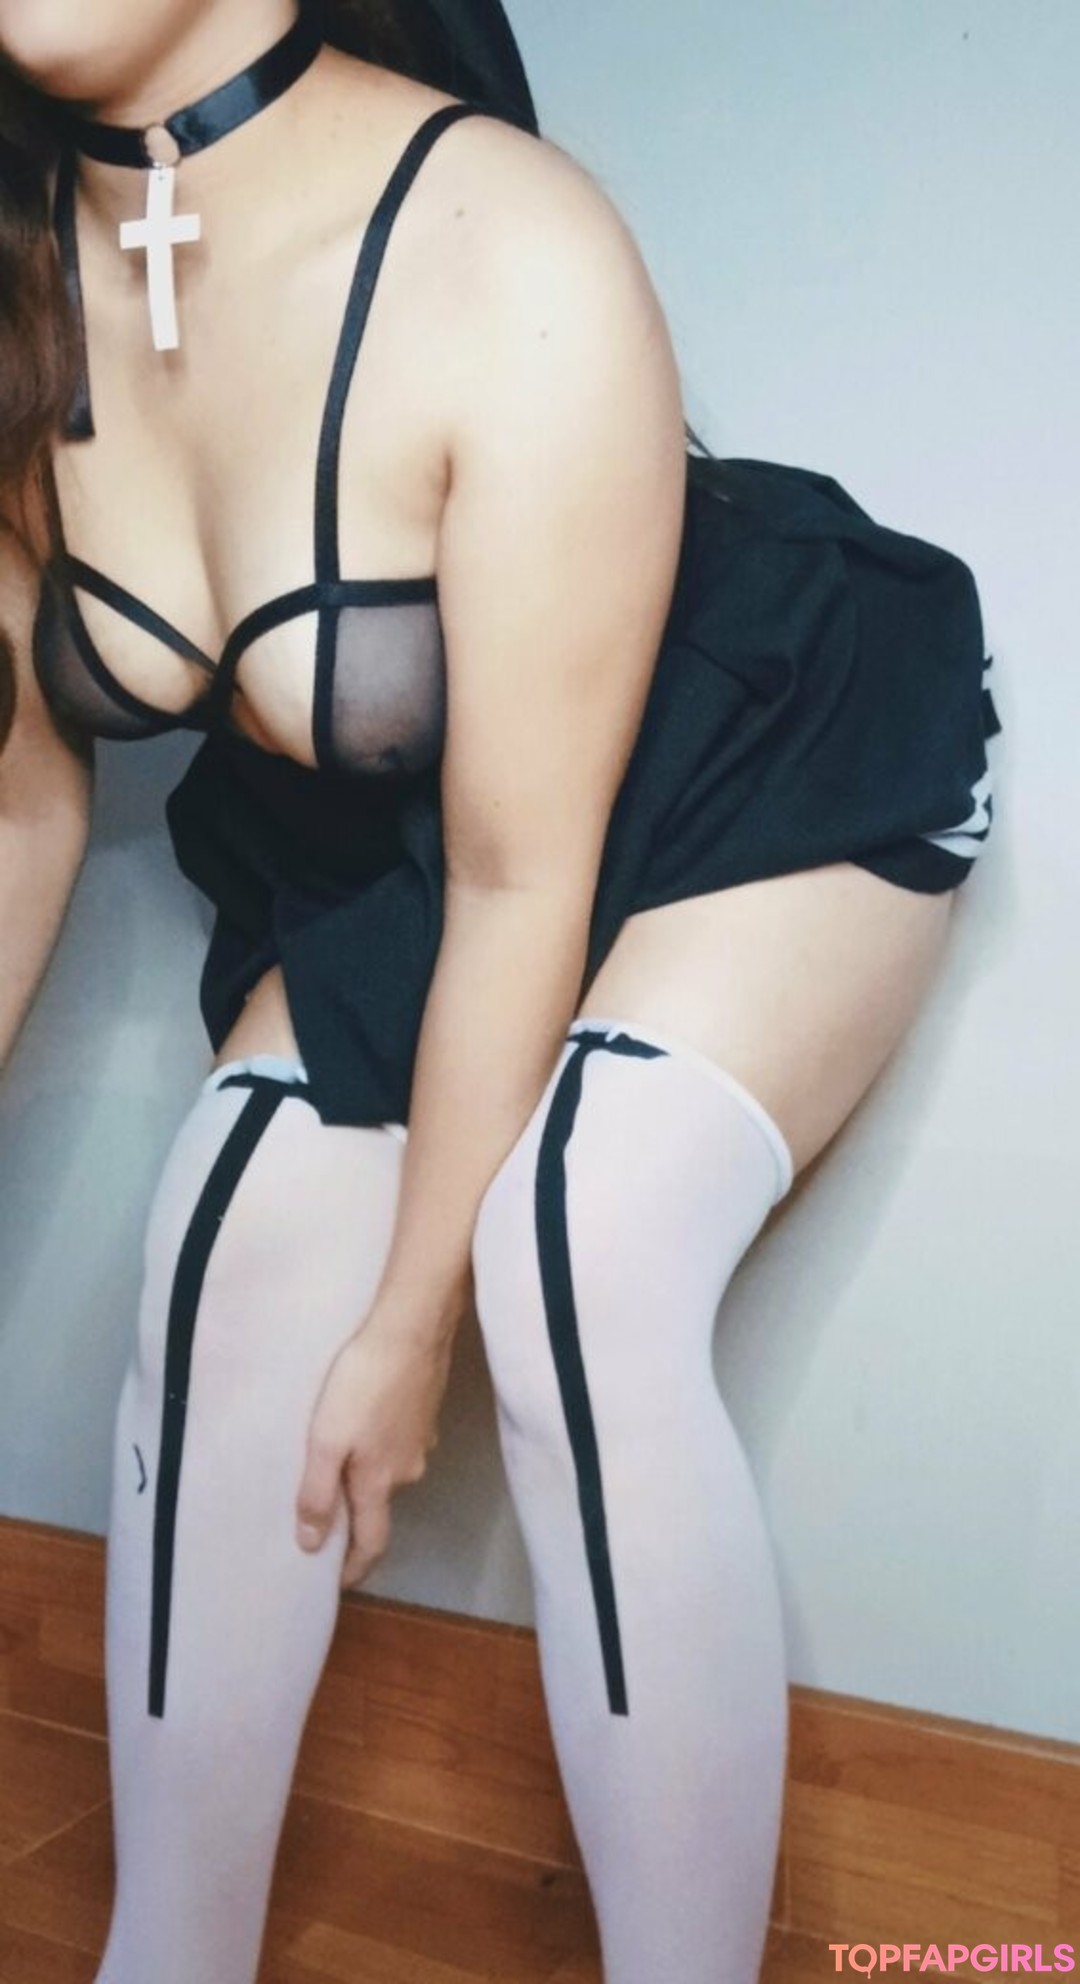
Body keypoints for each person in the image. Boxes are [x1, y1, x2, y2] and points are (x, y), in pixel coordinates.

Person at [0, 2, 1001, 1980]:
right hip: (411, 830)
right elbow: (22, 805)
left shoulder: (508, 245)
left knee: (570, 1249)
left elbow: (523, 869)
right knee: (217, 1250)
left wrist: (408, 1317)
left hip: (749, 746)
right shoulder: (27, 278)